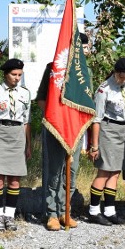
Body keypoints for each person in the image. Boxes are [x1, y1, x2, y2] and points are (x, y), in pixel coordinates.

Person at [36, 33, 88, 231]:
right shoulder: (53, 68)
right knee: (55, 172)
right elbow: (42, 99)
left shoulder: (84, 71)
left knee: (71, 172)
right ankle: (52, 213)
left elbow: (86, 102)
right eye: (80, 47)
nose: (83, 51)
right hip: (56, 127)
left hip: (75, 129)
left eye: (85, 48)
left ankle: (65, 211)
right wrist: (56, 119)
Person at [87, 57, 125, 225]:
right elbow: (96, 119)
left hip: (122, 130)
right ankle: (93, 210)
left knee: (115, 172)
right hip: (107, 130)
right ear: (115, 72)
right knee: (104, 171)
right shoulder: (104, 89)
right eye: (121, 77)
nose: (124, 81)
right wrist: (94, 146)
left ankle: (109, 210)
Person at [0, 58, 31, 231]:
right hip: (0, 133)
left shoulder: (25, 93)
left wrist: (28, 145)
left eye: (20, 75)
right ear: (5, 74)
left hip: (18, 135)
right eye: (13, 74)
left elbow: (27, 120)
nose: (17, 78)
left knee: (14, 180)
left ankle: (9, 216)